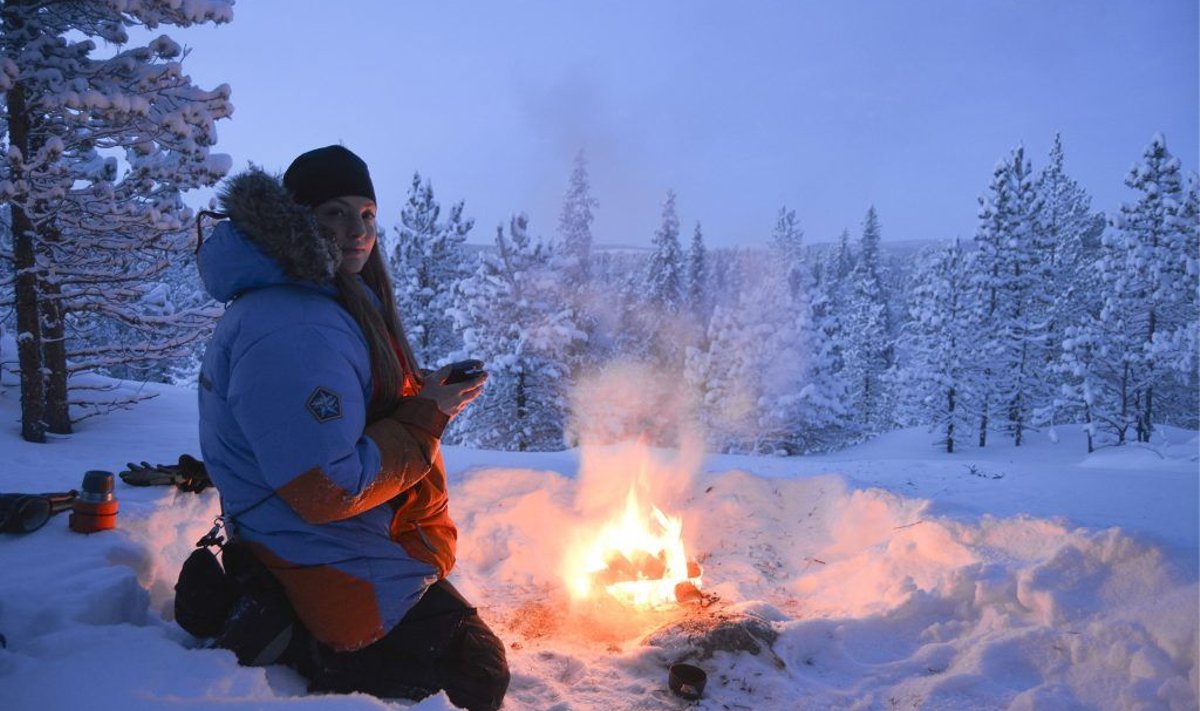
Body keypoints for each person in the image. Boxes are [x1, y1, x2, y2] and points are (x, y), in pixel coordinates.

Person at [196, 145, 509, 710]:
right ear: (296, 219)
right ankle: (304, 645)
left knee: (469, 652)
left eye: (366, 213)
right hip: (321, 554)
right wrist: (426, 416)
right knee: (479, 679)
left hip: (323, 539)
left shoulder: (317, 302)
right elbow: (328, 487)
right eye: (335, 213)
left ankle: (292, 621)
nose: (357, 229)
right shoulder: (294, 325)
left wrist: (419, 395)